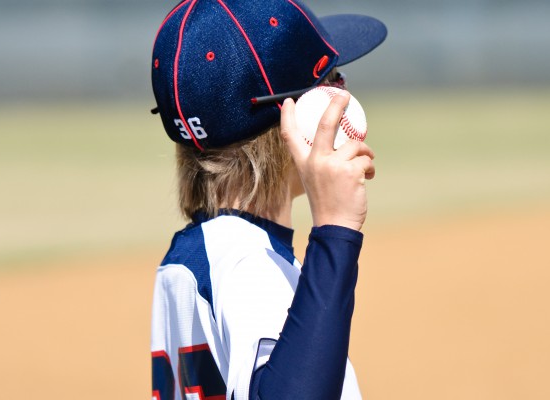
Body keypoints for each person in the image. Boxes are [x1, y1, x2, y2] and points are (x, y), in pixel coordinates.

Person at [148, 0, 386, 399]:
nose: (342, 92)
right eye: (333, 80)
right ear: (304, 117)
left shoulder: (196, 256)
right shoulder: (249, 264)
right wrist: (335, 231)